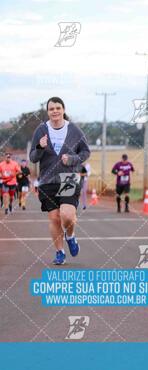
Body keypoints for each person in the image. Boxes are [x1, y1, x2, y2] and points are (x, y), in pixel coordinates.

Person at [29, 96, 90, 265]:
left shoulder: (74, 130)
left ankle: (70, 236)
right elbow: (33, 158)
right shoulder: (41, 130)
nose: (55, 111)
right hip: (47, 181)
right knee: (55, 218)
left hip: (68, 177)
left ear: (63, 110)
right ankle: (60, 252)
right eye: (51, 109)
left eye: (58, 108)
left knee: (67, 216)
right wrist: (40, 147)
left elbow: (85, 152)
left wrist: (71, 159)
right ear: (47, 112)